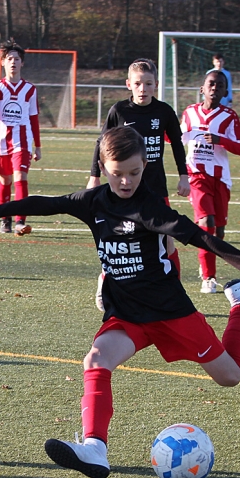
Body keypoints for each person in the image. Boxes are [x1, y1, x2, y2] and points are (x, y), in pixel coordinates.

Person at [0, 126, 240, 478]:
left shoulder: (150, 209)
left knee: (230, 376)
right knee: (96, 359)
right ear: (103, 167)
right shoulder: (93, 201)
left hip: (169, 311)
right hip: (127, 312)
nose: (126, 181)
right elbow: (46, 203)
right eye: (117, 173)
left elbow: (197, 236)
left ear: (144, 165)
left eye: (134, 172)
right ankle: (95, 448)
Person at [87, 58, 189, 311]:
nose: (143, 88)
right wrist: (94, 176)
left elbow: (177, 144)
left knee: (167, 242)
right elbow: (101, 143)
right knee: (121, 241)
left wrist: (183, 175)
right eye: (138, 84)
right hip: (125, 187)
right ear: (128, 84)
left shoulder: (164, 112)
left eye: (148, 83)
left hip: (155, 187)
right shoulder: (119, 111)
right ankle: (106, 281)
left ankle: (172, 292)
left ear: (156, 85)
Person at [180, 70, 240, 294]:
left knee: (218, 232)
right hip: (196, 175)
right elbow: (176, 137)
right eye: (211, 83)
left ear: (225, 92)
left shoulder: (229, 116)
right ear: (202, 88)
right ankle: (208, 277)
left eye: (220, 85)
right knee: (206, 222)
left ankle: (207, 262)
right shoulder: (190, 113)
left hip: (220, 179)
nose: (214, 88)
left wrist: (221, 140)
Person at [0, 39, 42, 235]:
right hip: (1, 141)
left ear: (22, 63)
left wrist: (38, 145)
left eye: (17, 59)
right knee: (5, 180)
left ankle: (20, 221)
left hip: (22, 141)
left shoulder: (30, 90)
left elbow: (34, 118)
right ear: (2, 62)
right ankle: (5, 219)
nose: (13, 62)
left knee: (20, 176)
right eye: (9, 59)